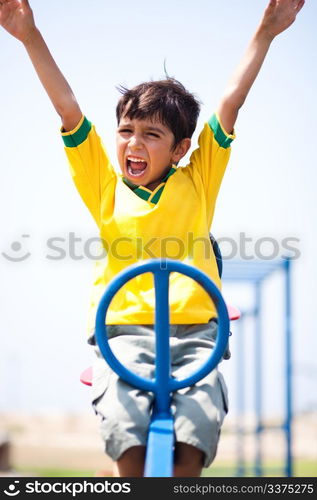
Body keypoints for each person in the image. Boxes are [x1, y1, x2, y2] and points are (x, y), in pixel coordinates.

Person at [0, 0, 305, 477]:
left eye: (151, 134)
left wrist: (265, 32)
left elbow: (230, 102)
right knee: (129, 442)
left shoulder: (198, 180)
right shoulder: (104, 186)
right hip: (122, 333)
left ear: (181, 148)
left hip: (197, 335)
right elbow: (68, 108)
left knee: (193, 442)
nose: (134, 144)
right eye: (125, 131)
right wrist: (28, 35)